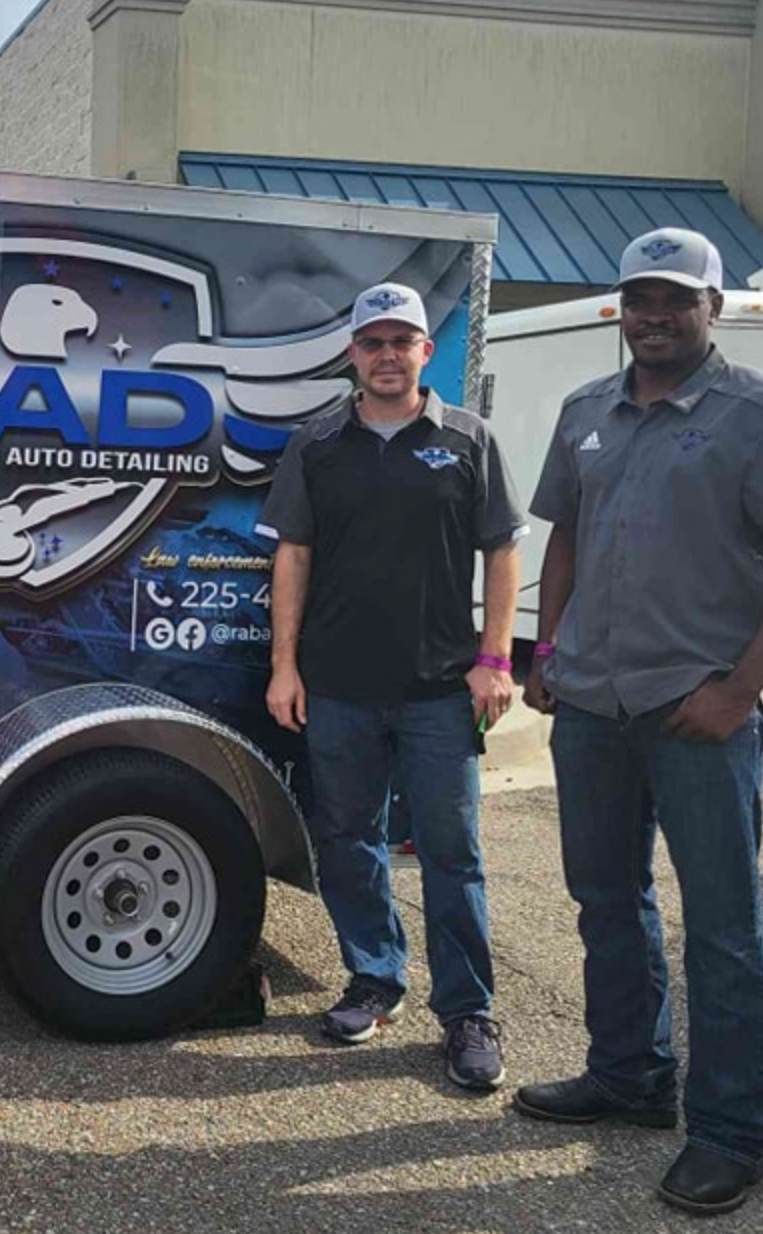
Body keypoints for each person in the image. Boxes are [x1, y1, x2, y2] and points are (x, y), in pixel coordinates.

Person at [514, 228, 763, 1215]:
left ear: (712, 308)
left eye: (673, 299)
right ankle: (627, 1077)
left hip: (696, 713)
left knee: (722, 931)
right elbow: (565, 530)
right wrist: (547, 648)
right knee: (604, 900)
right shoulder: (586, 412)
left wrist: (740, 689)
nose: (652, 316)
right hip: (593, 706)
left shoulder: (758, 415)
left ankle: (730, 1130)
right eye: (636, 299)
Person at [259, 282, 525, 1090]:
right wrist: (284, 664)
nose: (385, 355)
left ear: (424, 352)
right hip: (337, 685)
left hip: (440, 688)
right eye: (371, 342)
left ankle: (467, 1012)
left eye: (399, 341)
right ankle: (375, 980)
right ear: (352, 354)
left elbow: (502, 552)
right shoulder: (317, 444)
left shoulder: (469, 440)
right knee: (349, 839)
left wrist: (496, 659)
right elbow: (292, 555)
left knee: (451, 851)